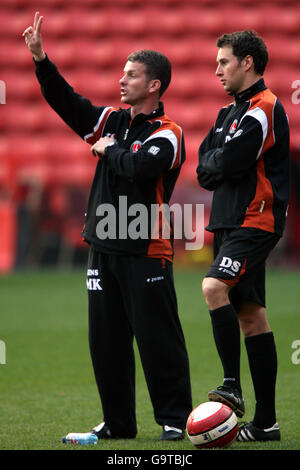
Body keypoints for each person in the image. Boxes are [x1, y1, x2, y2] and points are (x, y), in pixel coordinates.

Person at [23, 12, 192, 443]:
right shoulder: (113, 122)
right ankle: (118, 423)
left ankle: (174, 419)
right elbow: (70, 105)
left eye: (132, 75)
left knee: (157, 339)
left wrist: (106, 150)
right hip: (103, 247)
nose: (122, 81)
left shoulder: (169, 133)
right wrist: (42, 60)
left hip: (145, 248)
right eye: (122, 73)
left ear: (154, 85)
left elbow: (140, 167)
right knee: (107, 343)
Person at [196, 30, 290, 442]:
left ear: (247, 62)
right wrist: (220, 160)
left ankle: (230, 384)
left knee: (213, 286)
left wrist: (221, 159)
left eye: (224, 62)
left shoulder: (264, 108)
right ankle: (266, 423)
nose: (217, 69)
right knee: (251, 317)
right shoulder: (225, 114)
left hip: (256, 219)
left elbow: (229, 161)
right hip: (227, 221)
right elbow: (204, 168)